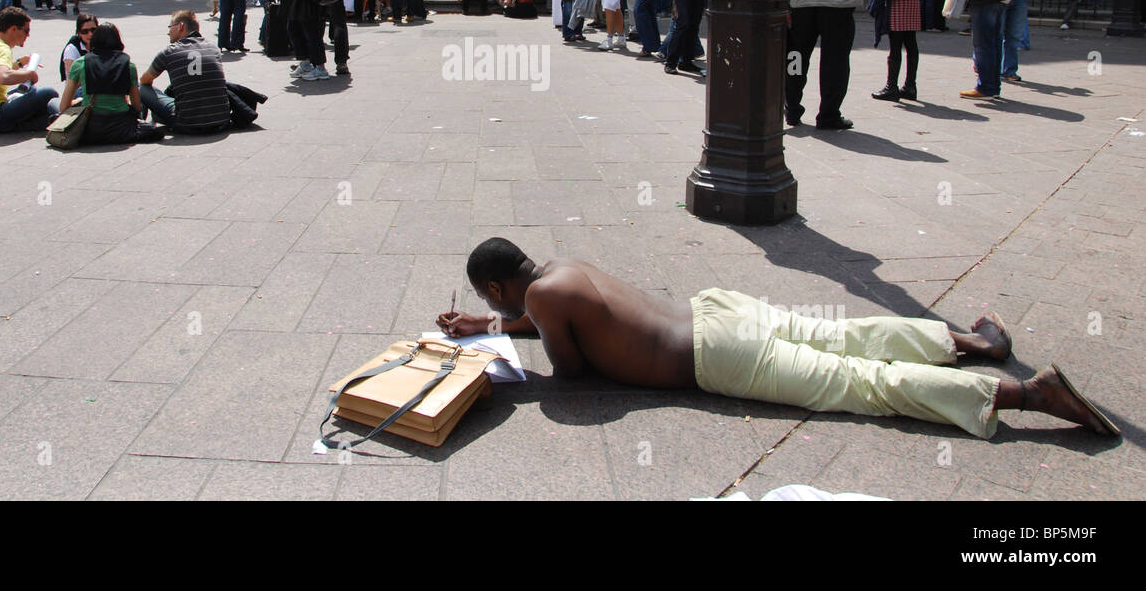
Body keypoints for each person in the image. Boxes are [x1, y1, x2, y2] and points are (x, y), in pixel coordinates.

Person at [436, 238, 1120, 440]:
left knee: (858, 384)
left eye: (485, 302)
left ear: (497, 286)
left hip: (716, 356)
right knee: (845, 335)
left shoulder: (545, 300)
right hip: (719, 314)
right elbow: (556, 317)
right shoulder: (558, 270)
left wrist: (509, 366)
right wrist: (490, 328)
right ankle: (971, 343)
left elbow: (575, 373)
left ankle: (1028, 395)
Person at [57, 22, 162, 144]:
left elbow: (63, 107)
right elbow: (137, 106)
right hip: (122, 129)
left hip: (91, 130)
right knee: (154, 129)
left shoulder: (80, 63)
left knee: (54, 104)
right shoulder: (128, 65)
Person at [0, 7, 61, 132]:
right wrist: (29, 74)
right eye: (26, 30)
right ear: (13, 29)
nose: (28, 35)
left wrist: (19, 63)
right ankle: (31, 123)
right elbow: (3, 76)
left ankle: (33, 121)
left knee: (31, 90)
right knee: (48, 92)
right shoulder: (3, 49)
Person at [138, 10, 231, 132]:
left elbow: (145, 80)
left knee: (140, 87)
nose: (168, 32)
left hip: (186, 122)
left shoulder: (169, 52)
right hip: (221, 120)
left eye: (170, 27)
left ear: (181, 26)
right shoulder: (213, 48)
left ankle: (141, 122)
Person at [59, 12, 98, 84]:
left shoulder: (101, 45)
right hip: (78, 89)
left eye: (93, 30)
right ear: (79, 33)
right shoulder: (72, 49)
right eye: (85, 31)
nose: (90, 34)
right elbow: (73, 78)